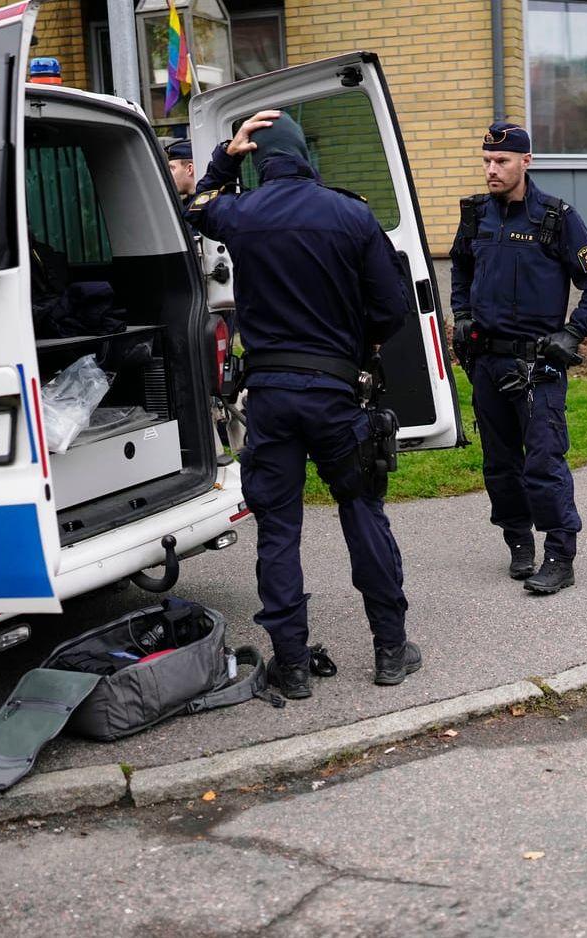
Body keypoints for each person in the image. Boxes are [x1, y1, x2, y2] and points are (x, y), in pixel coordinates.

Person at [184, 111, 421, 699]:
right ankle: (390, 650)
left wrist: (225, 156)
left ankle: (291, 666)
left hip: (270, 399)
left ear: (261, 163)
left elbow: (196, 204)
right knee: (362, 512)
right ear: (306, 158)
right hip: (338, 395)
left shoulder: (242, 213)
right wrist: (357, 344)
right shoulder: (351, 214)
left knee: (279, 531)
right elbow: (392, 308)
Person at [449, 121, 587, 595]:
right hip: (487, 361)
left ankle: (560, 555)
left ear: (526, 161)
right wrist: (461, 313)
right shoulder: (476, 213)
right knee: (500, 464)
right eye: (485, 161)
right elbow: (460, 264)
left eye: (500, 161)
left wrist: (573, 332)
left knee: (543, 461)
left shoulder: (556, 217)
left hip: (538, 365)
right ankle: (519, 542)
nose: (491, 170)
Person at [164, 139, 196, 209]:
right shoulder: (185, 205)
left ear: (189, 169)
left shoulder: (207, 207)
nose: (169, 174)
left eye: (172, 168)